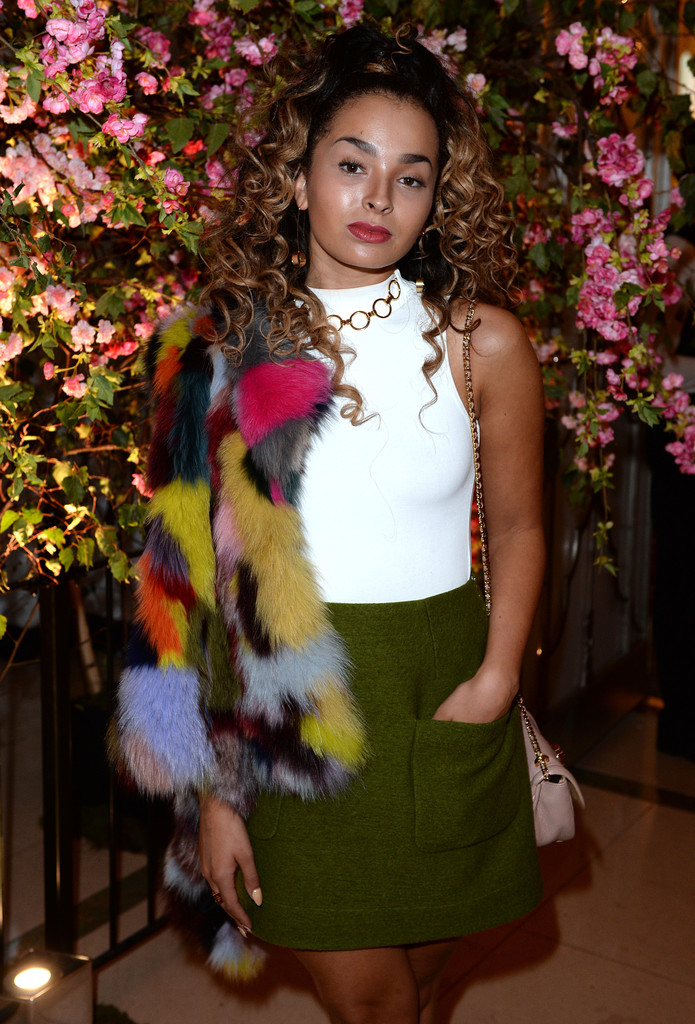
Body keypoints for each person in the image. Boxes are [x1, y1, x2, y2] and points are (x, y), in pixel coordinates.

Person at [112, 22, 546, 1024]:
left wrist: (496, 678)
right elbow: (183, 589)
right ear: (298, 177)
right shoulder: (214, 352)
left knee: (422, 983)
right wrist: (212, 793)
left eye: (410, 176)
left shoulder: (481, 344)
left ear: (436, 198)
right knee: (373, 1003)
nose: (378, 198)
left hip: (441, 693)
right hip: (282, 713)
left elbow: (521, 526)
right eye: (352, 165)